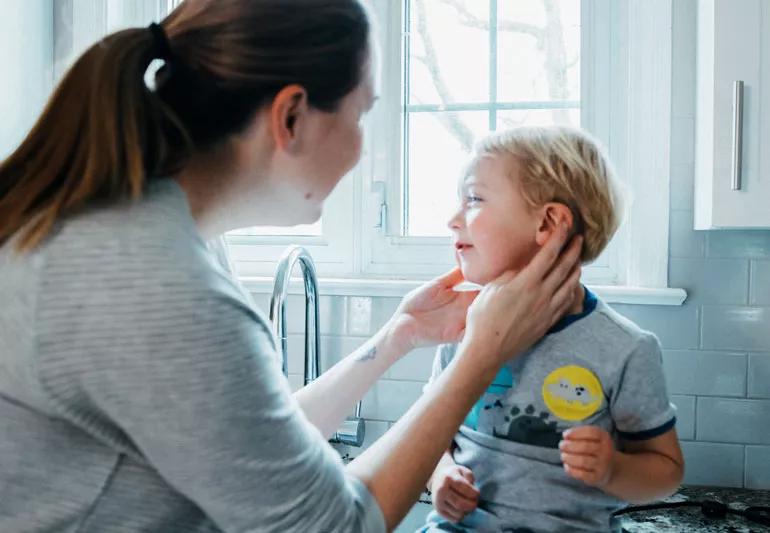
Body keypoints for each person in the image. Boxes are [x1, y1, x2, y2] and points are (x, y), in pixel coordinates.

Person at [0, 1, 582, 532]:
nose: (359, 147)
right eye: (360, 114)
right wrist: (480, 357)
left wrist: (398, 337)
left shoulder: (145, 233)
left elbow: (250, 444)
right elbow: (330, 527)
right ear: (292, 116)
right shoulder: (160, 284)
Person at [421, 127, 685, 533]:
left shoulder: (624, 348)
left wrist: (613, 469)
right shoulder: (462, 326)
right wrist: (441, 477)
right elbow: (434, 435)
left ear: (548, 222)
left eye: (473, 198)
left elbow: (666, 470)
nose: (453, 220)